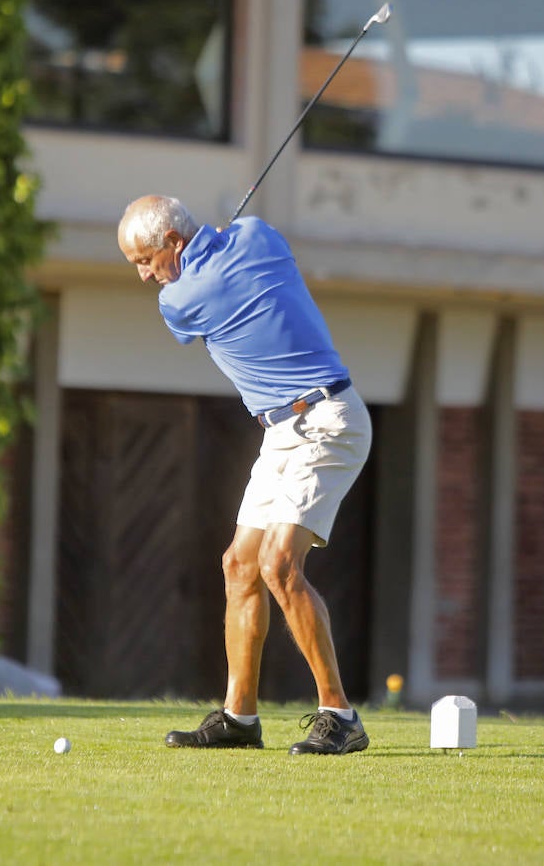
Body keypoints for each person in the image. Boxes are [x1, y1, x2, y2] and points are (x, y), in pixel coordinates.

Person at [117, 194, 372, 755]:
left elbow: (192, 308)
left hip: (328, 420)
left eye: (145, 261)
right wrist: (219, 241)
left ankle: (341, 715)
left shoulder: (178, 300)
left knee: (279, 565)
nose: (144, 276)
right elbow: (240, 247)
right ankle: (240, 718)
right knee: (239, 565)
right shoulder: (258, 234)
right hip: (281, 430)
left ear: (173, 243)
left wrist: (202, 259)